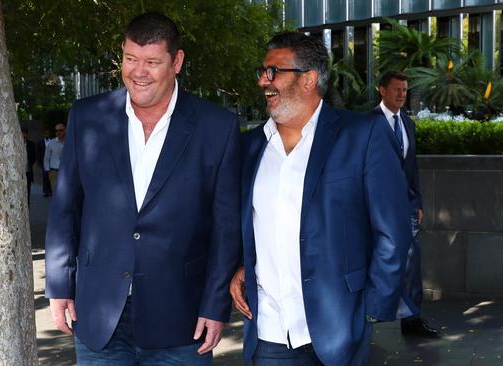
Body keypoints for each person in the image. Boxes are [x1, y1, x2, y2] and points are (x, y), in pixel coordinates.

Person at [45, 11, 241, 365]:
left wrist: (215, 305)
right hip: (99, 315)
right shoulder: (87, 116)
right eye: (131, 58)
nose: (139, 71)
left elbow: (226, 228)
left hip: (182, 320)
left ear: (177, 62)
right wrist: (59, 285)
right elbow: (65, 208)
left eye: (152, 62)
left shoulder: (217, 127)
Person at [229, 31, 411, 366]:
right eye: (262, 72)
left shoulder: (362, 136)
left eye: (273, 72)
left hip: (340, 327)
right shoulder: (250, 146)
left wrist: (372, 309)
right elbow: (244, 221)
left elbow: (394, 230)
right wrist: (242, 263)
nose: (262, 82)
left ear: (309, 79)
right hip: (270, 331)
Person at [370, 71, 439, 337]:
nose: (402, 94)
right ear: (382, 90)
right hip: (378, 209)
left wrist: (418, 202)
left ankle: (412, 321)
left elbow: (412, 168)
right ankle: (366, 319)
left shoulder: (408, 123)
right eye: (397, 89)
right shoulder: (368, 123)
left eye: (405, 90)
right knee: (375, 262)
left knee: (412, 264)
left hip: (407, 207)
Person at [43, 122, 65, 193]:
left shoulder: (69, 142)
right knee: (56, 194)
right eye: (56, 130)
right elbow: (46, 158)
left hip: (66, 172)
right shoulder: (51, 143)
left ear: (65, 130)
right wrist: (48, 171)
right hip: (54, 172)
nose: (58, 132)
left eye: (60, 130)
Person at [21, 127, 36, 206]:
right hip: (19, 172)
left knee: (27, 188)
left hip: (28, 171)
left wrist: (29, 164)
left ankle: (27, 203)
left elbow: (34, 157)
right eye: (22, 134)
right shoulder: (17, 144)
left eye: (25, 135)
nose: (23, 136)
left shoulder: (31, 144)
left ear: (27, 135)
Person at [37, 128, 53, 197]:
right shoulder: (40, 142)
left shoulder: (52, 141)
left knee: (51, 176)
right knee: (45, 176)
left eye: (48, 133)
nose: (46, 134)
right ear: (44, 134)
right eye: (45, 133)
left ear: (49, 134)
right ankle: (45, 191)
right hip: (44, 162)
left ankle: (50, 190)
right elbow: (38, 153)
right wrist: (40, 163)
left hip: (51, 161)